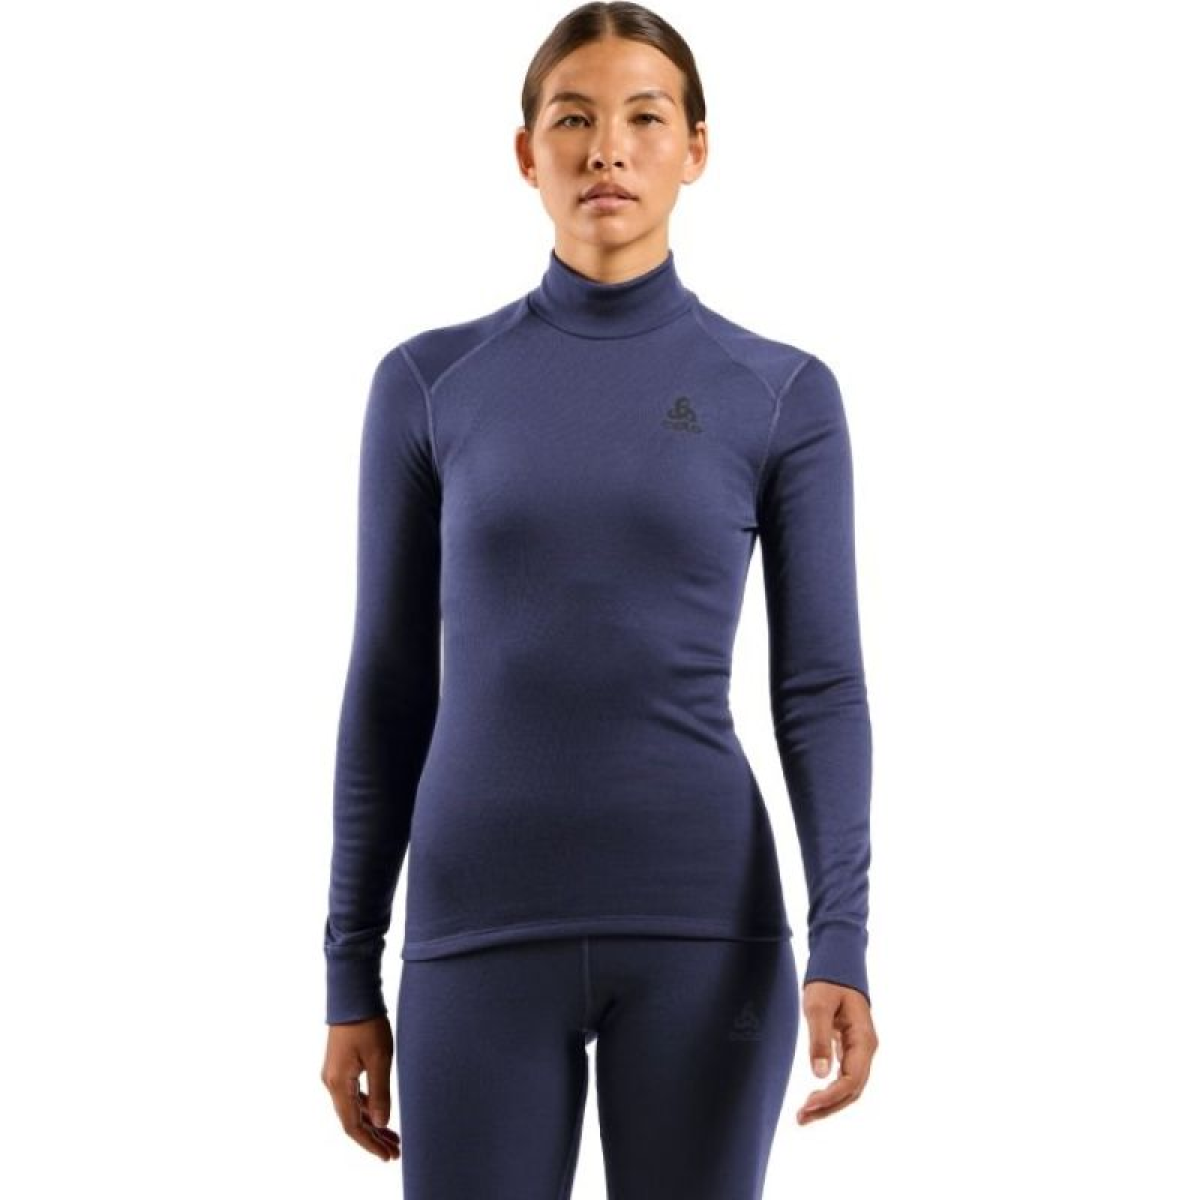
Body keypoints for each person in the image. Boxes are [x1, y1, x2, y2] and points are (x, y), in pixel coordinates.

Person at [319, 3, 879, 1195]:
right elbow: (389, 686)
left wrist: (843, 941)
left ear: (697, 148)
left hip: (704, 937)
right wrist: (346, 969)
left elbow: (821, 689)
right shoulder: (428, 384)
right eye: (573, 119)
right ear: (527, 153)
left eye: (645, 118)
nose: (608, 150)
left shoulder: (779, 394)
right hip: (476, 933)